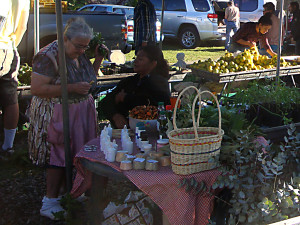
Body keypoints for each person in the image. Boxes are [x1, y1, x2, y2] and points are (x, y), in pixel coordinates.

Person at [28, 17, 105, 220]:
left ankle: (68, 192)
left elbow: (87, 80)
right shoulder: (47, 56)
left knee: (74, 154)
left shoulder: (79, 54)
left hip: (78, 112)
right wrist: (70, 88)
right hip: (57, 114)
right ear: (65, 39)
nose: (82, 51)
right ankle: (49, 201)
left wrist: (96, 59)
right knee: (58, 154)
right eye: (79, 46)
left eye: (85, 47)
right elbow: (36, 89)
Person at [100, 45, 170, 129]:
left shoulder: (160, 83)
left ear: (153, 64)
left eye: (140, 59)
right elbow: (106, 101)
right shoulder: (130, 81)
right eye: (136, 58)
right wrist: (115, 116)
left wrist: (125, 98)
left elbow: (151, 105)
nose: (135, 62)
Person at [0, 0, 29, 155]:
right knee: (11, 99)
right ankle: (8, 145)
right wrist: (11, 44)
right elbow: (22, 27)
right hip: (8, 49)